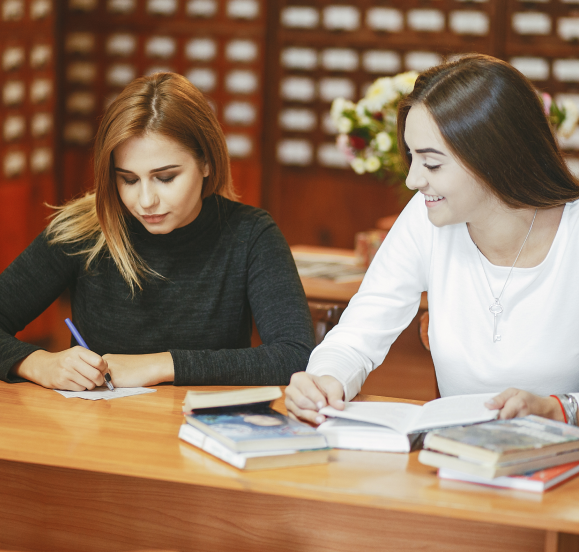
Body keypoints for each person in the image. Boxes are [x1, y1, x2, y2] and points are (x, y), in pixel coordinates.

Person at [286, 54, 579, 427]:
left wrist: (558, 408)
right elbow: (360, 332)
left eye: (432, 163)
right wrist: (325, 381)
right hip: (457, 459)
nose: (413, 180)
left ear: (495, 157)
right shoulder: (427, 219)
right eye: (411, 157)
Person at [0, 72, 314, 391]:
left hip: (203, 431)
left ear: (206, 163)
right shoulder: (82, 230)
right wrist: (39, 363)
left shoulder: (251, 235)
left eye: (165, 178)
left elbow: (295, 356)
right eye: (129, 180)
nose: (146, 201)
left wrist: (160, 365)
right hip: (100, 433)